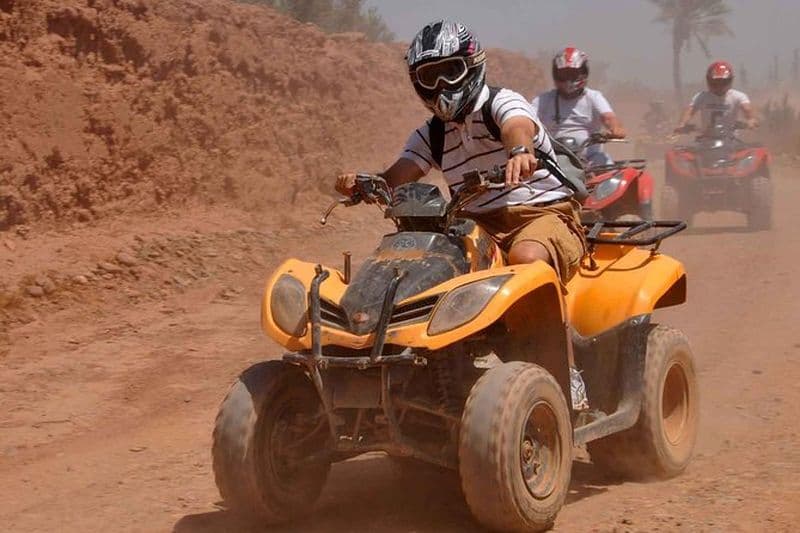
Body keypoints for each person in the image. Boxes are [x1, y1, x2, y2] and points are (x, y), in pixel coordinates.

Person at [335, 20, 586, 282]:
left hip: (540, 214)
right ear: (418, 83)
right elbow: (395, 177)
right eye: (430, 77)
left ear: (472, 67)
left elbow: (517, 125)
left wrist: (521, 152)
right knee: (422, 266)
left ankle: (550, 323)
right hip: (474, 226)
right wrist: (362, 184)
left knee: (526, 257)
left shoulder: (501, 102)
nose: (442, 85)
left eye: (451, 70)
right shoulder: (431, 135)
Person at [530, 47, 626, 167]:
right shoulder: (543, 100)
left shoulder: (593, 97)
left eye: (573, 74)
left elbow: (608, 117)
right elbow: (527, 118)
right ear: (555, 75)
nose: (568, 80)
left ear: (584, 73)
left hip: (590, 158)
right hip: (553, 157)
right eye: (564, 74)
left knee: (608, 173)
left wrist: (616, 129)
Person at [675, 61, 758, 134]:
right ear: (708, 81)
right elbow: (690, 111)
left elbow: (747, 109)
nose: (719, 87)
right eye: (715, 83)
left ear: (730, 81)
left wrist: (751, 120)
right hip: (706, 139)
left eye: (723, 83)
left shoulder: (738, 96)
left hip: (731, 140)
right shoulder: (701, 96)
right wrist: (682, 124)